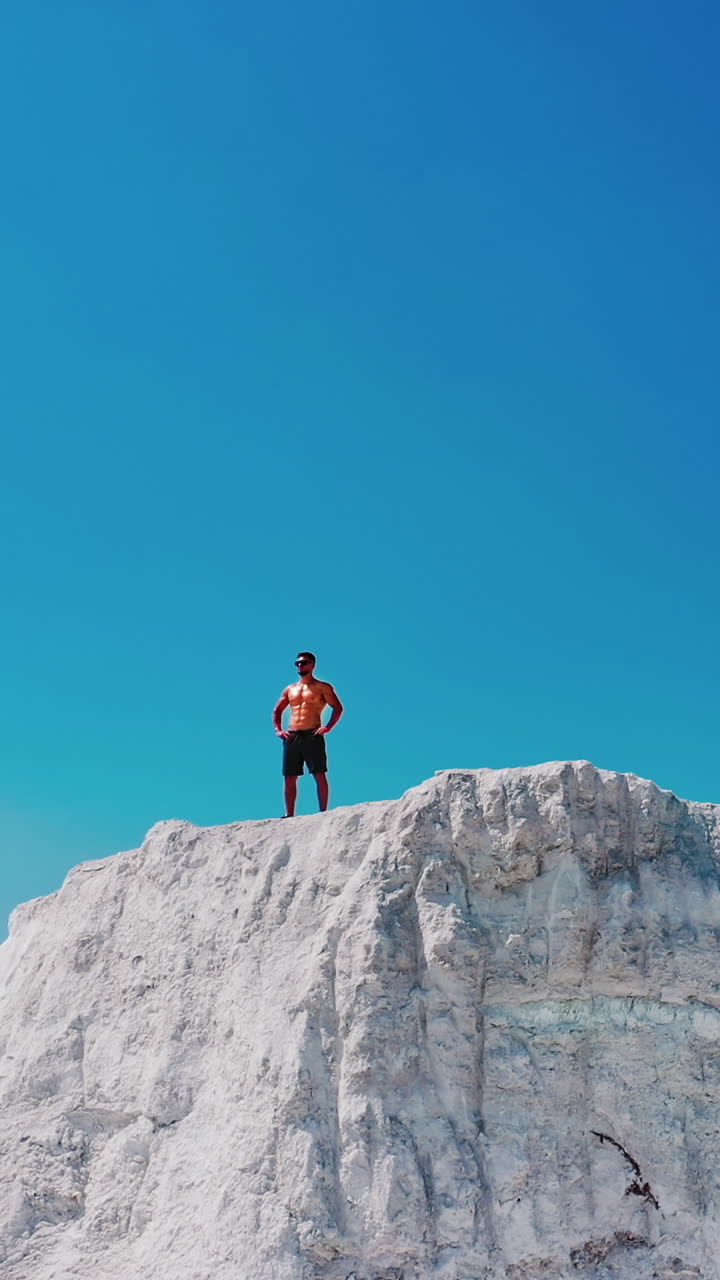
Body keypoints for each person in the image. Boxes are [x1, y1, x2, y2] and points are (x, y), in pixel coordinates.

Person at [273, 652, 344, 816]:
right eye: (297, 663)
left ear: (312, 665)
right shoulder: (290, 689)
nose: (300, 666)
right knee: (290, 776)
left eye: (304, 663)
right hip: (292, 734)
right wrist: (278, 729)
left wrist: (328, 727)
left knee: (319, 773)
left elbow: (338, 708)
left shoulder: (322, 687)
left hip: (312, 733)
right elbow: (277, 710)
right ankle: (289, 813)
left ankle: (323, 812)